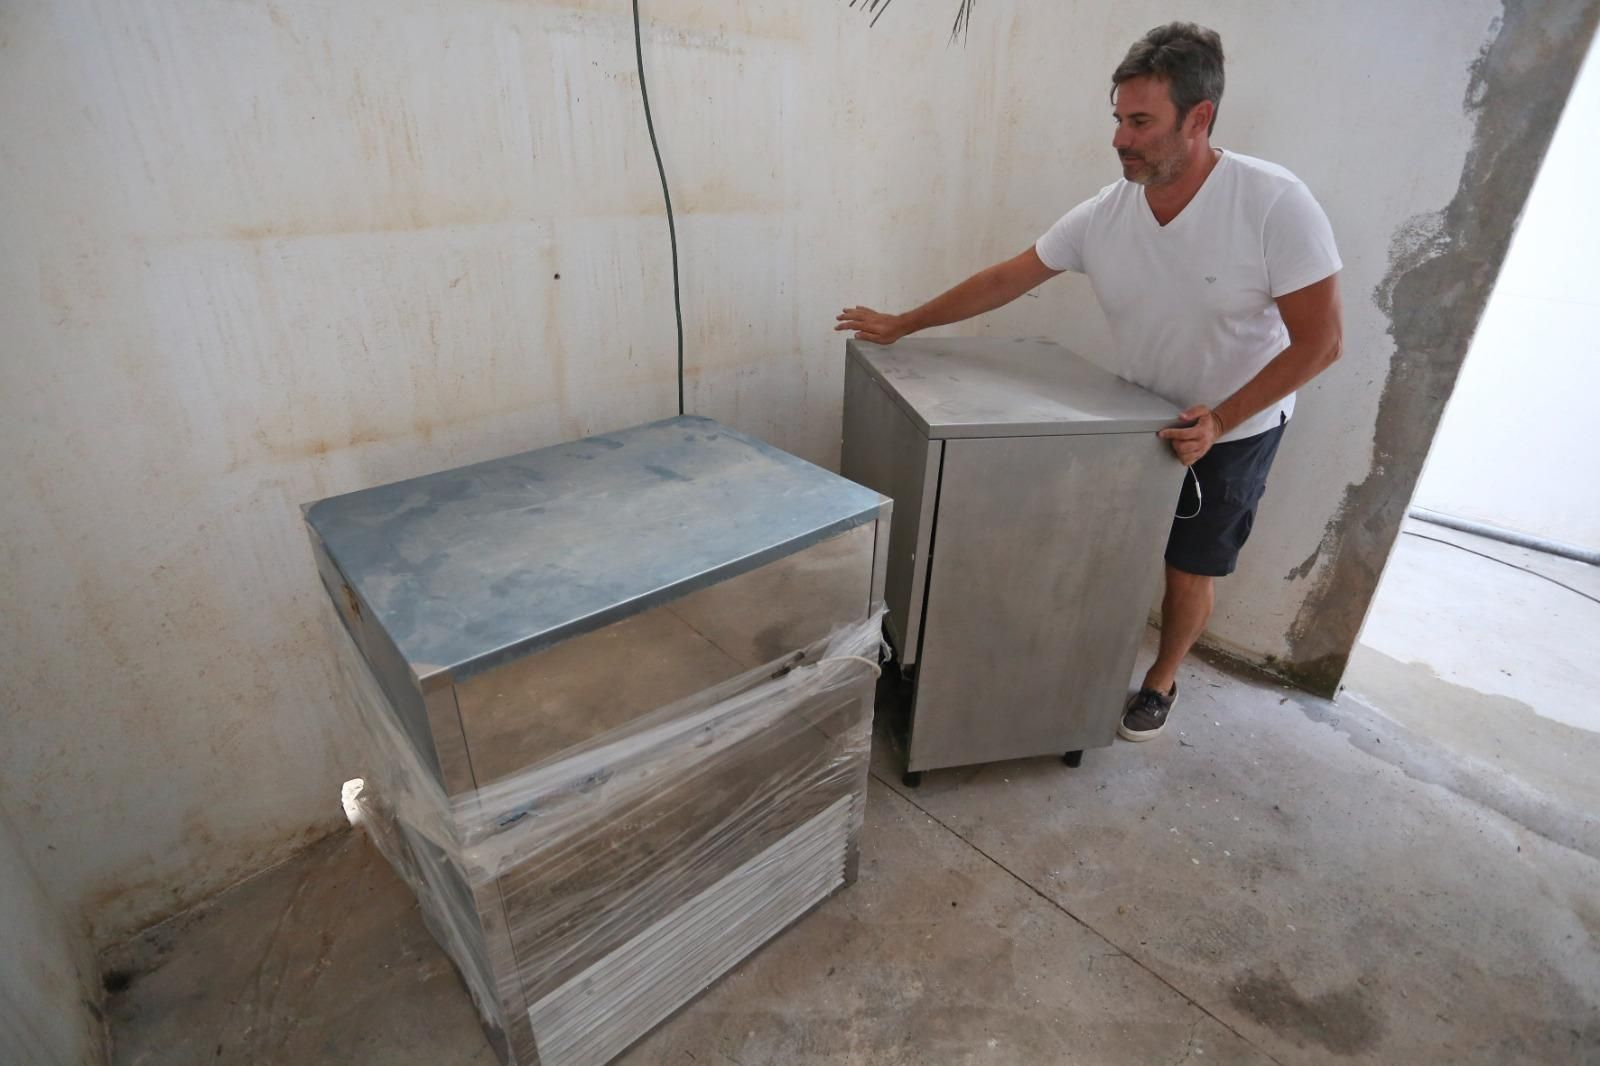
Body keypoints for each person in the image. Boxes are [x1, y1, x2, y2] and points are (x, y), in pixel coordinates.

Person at [835, 22, 1342, 743]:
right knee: (1109, 556)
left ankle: (1160, 679)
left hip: (1233, 426)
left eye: (1141, 122)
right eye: (1118, 119)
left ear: (1199, 119)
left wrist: (1222, 420)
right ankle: (1076, 667)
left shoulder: (1272, 203)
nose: (1120, 139)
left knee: (1186, 571)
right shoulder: (1109, 212)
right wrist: (905, 322)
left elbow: (1322, 342)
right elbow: (1010, 276)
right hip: (1137, 420)